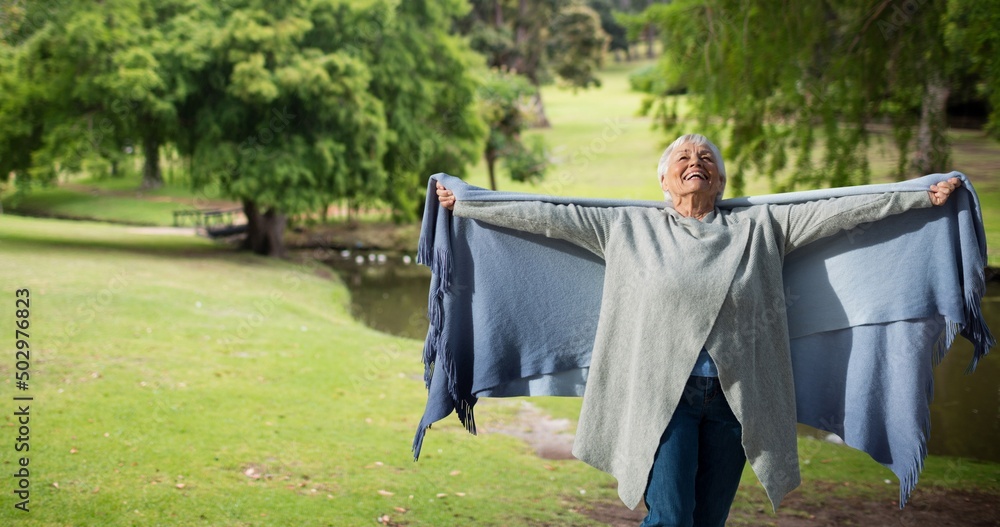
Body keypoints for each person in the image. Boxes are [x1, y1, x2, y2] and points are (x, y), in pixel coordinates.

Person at [434, 134, 962, 527]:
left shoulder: (761, 229)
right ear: (664, 181)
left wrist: (920, 196)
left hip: (738, 401)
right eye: (683, 158)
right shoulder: (627, 229)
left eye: (706, 158)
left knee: (707, 523)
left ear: (720, 181)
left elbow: (841, 210)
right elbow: (550, 216)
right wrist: (474, 203)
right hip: (664, 398)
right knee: (670, 519)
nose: (696, 163)